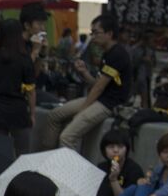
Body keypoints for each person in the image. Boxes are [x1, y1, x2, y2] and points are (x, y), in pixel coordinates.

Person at [41, 14, 130, 151]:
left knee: (67, 137)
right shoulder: (107, 53)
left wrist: (82, 110)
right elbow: (97, 84)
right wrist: (84, 72)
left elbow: (99, 88)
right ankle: (47, 157)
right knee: (54, 116)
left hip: (108, 104)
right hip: (98, 99)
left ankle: (65, 171)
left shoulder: (118, 54)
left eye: (96, 32)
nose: (93, 36)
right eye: (91, 32)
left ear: (109, 33)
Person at [77, 129, 144, 196]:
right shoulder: (102, 167)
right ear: (104, 150)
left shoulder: (134, 169)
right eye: (111, 147)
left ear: (126, 149)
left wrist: (113, 179)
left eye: (120, 147)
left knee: (107, 187)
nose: (116, 151)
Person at [0, 19, 37, 154]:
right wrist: (32, 114)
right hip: (18, 110)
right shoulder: (24, 58)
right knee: (22, 153)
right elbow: (31, 90)